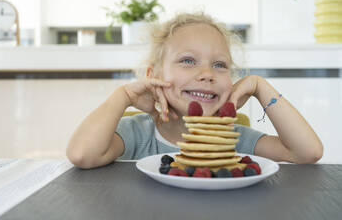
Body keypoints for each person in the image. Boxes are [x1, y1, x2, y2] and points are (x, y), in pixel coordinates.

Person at [66, 12, 323, 169]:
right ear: (152, 77)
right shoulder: (136, 133)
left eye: (220, 65)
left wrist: (261, 86)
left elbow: (307, 152)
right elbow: (81, 155)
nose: (206, 74)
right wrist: (123, 96)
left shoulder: (232, 138)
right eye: (188, 60)